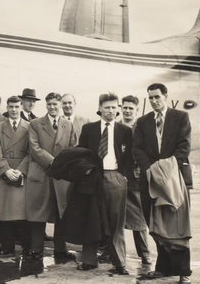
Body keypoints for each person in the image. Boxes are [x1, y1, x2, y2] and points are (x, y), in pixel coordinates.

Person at [133, 83, 192, 284]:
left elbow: (184, 147)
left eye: (157, 97)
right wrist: (151, 170)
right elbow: (137, 149)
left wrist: (164, 171)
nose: (154, 101)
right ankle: (164, 268)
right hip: (150, 179)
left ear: (166, 96)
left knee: (176, 224)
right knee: (155, 224)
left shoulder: (181, 117)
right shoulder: (142, 122)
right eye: (150, 98)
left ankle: (184, 272)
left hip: (173, 179)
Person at [77, 93, 133, 274]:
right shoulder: (89, 129)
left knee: (117, 221)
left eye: (114, 107)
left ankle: (119, 263)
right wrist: (87, 172)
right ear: (100, 108)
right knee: (91, 218)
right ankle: (89, 260)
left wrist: (123, 176)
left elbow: (129, 157)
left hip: (115, 178)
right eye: (107, 107)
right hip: (93, 179)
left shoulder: (125, 131)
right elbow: (82, 153)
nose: (111, 110)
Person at [26, 92, 77, 262]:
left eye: (56, 104)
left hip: (61, 177)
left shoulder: (68, 125)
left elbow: (73, 148)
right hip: (41, 174)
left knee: (61, 213)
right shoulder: (35, 124)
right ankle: (36, 249)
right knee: (38, 213)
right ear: (46, 105)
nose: (53, 107)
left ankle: (60, 250)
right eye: (49, 104)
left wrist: (62, 165)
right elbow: (34, 147)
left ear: (61, 105)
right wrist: (54, 162)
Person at [0, 95, 32, 256]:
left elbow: (31, 151)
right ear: (6, 108)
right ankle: (6, 246)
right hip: (4, 174)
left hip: (21, 173)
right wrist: (6, 170)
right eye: (11, 107)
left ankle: (27, 247)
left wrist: (21, 171)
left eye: (16, 107)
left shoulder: (29, 127)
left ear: (21, 108)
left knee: (22, 214)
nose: (14, 110)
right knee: (4, 212)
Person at [119, 95, 151, 265]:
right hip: (118, 174)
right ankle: (111, 251)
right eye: (125, 107)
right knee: (114, 215)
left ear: (137, 110)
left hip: (135, 175)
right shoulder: (116, 126)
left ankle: (145, 253)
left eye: (131, 108)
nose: (128, 111)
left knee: (138, 215)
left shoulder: (142, 127)